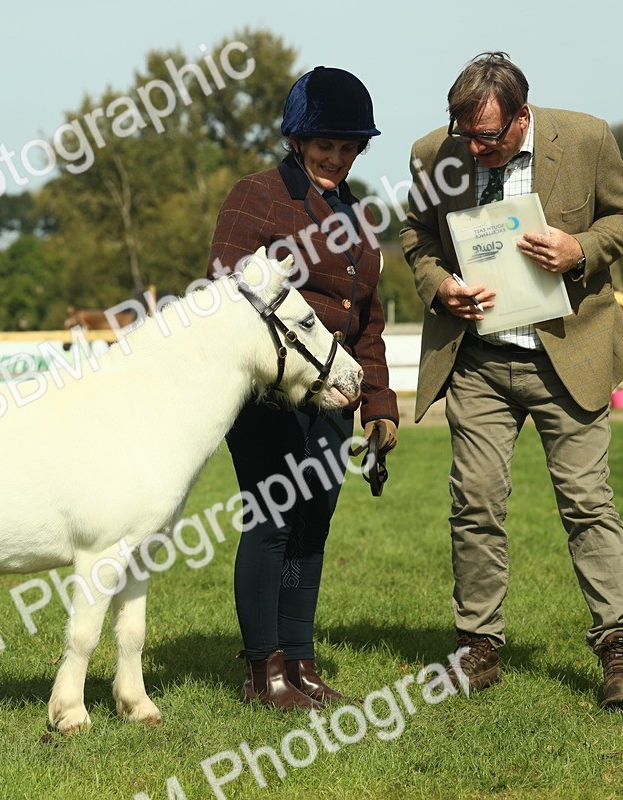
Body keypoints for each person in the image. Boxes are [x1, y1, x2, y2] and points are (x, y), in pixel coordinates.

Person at [400, 52, 623, 712]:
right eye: (465, 135)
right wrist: (439, 284)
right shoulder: (434, 154)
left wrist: (581, 251)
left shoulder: (589, 137)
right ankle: (477, 648)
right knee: (475, 502)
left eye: (488, 136)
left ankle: (618, 649)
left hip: (569, 351)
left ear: (522, 115)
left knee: (586, 502)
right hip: (478, 361)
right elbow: (418, 237)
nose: (475, 148)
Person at [208, 66, 398, 710]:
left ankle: (301, 659)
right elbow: (225, 290)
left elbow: (365, 318)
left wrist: (380, 405)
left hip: (335, 400)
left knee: (313, 525)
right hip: (270, 399)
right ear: (296, 138)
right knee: (272, 525)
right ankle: (264, 671)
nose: (336, 158)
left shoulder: (356, 213)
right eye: (325, 145)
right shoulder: (254, 196)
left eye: (349, 148)